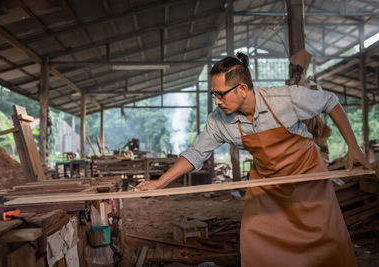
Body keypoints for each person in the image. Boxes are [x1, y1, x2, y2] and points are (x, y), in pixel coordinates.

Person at [137, 52, 370, 266]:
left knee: (325, 236)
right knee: (255, 234)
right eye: (213, 94)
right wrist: (160, 182)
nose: (216, 101)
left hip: (307, 175)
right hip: (267, 182)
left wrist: (353, 145)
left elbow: (329, 101)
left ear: (241, 89)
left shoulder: (284, 98)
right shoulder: (218, 121)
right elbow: (196, 153)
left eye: (220, 94)